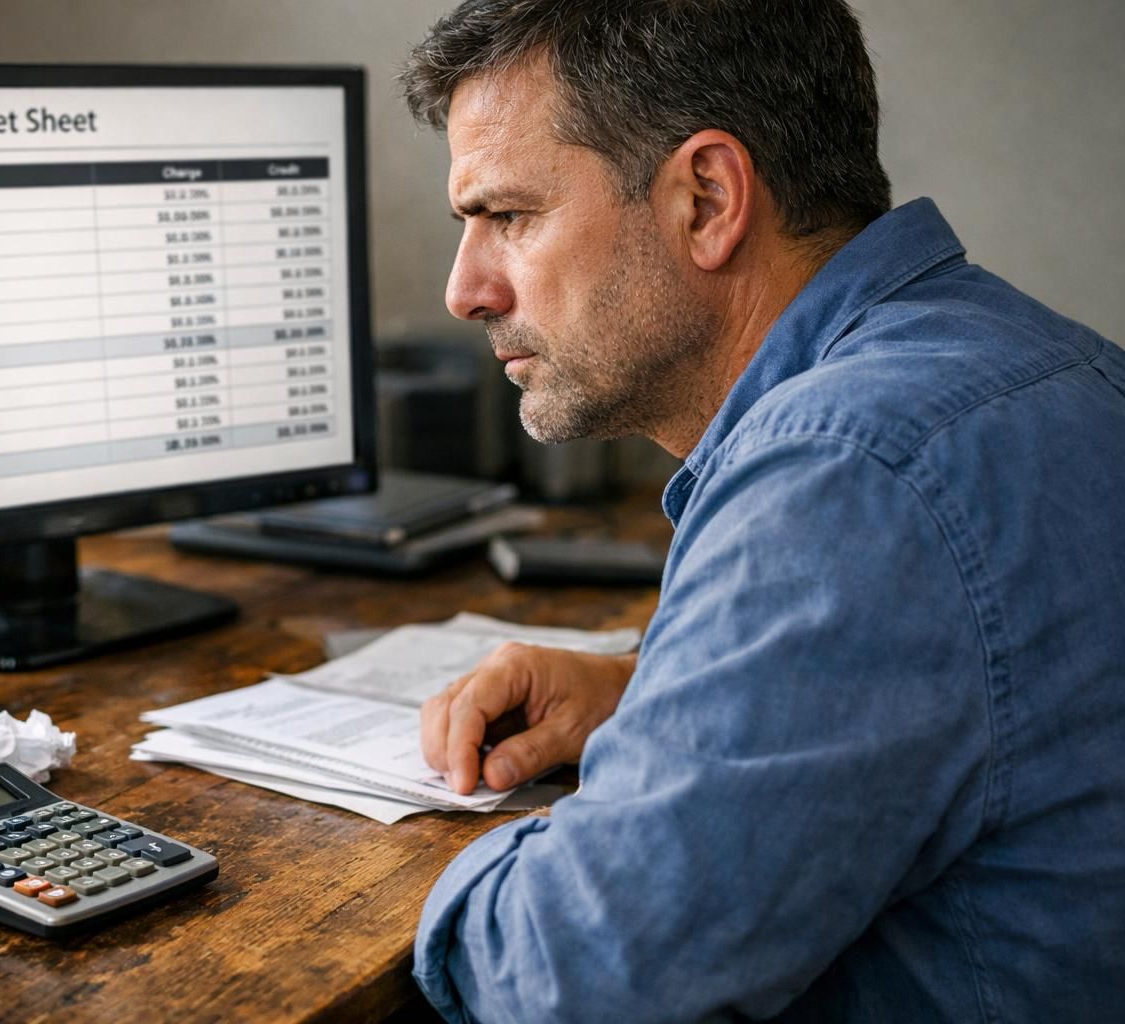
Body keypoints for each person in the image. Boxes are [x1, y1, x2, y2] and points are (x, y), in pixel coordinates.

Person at [399, 1, 1125, 1021]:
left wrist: (436, 872)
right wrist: (647, 695)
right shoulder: (1048, 365)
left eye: (508, 216)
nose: (464, 289)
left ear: (707, 199)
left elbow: (573, 981)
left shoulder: (846, 470)